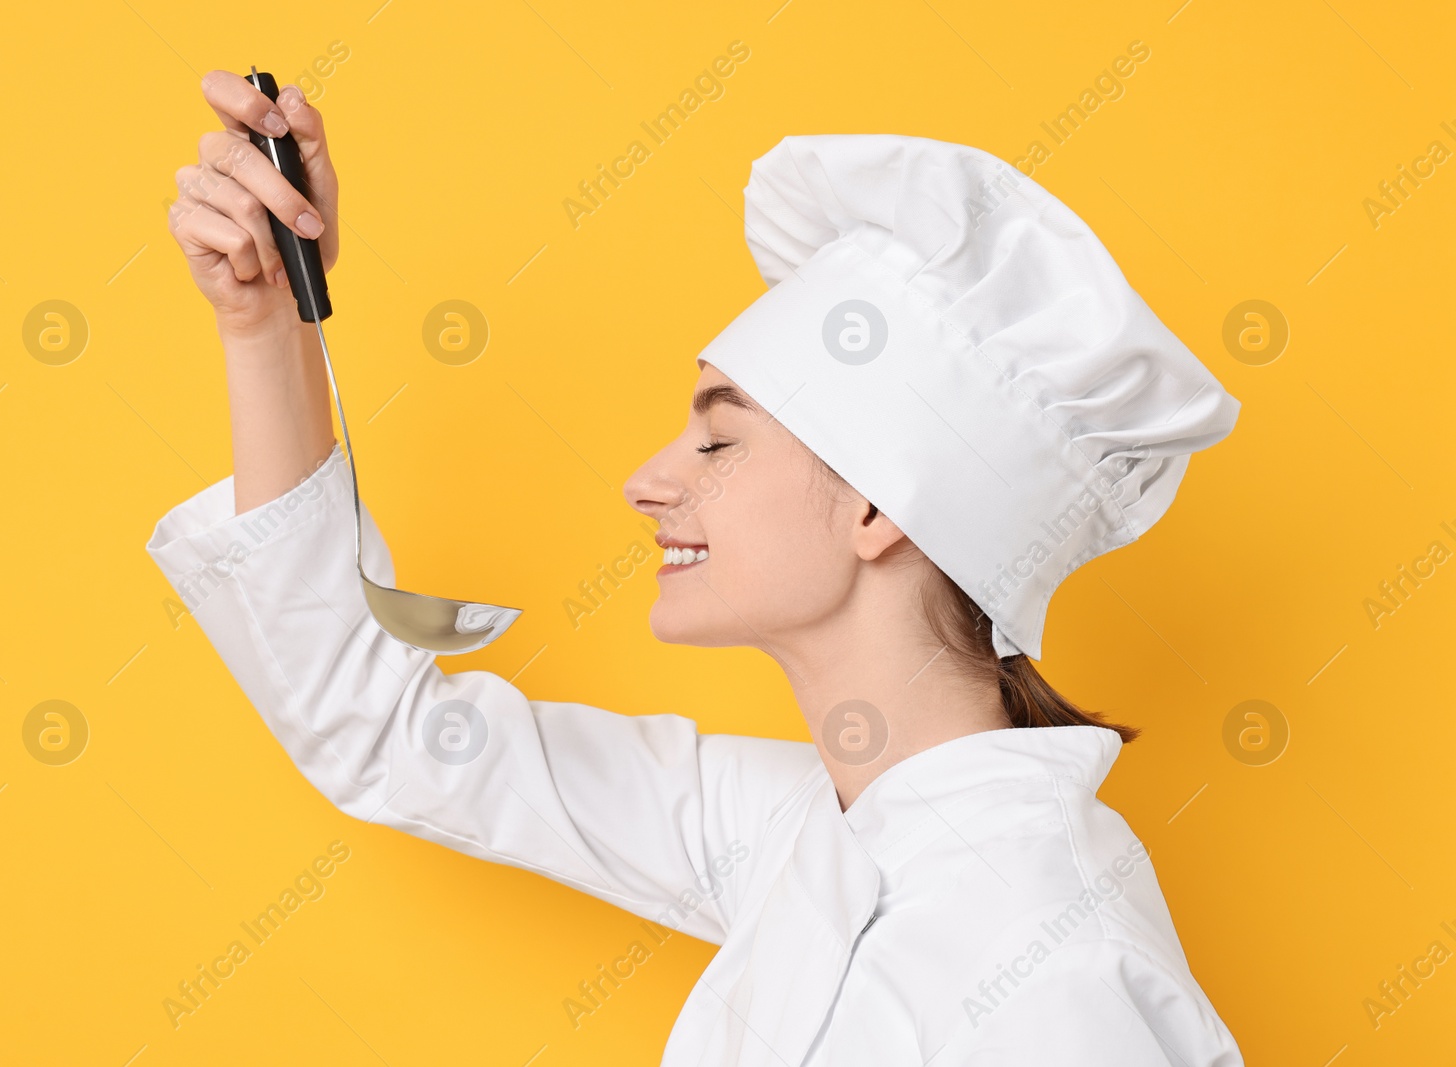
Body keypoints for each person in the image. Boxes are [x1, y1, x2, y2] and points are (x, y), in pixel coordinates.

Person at [153, 71, 1244, 1065]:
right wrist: (263, 325)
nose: (646, 480)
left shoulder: (1054, 976)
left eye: (717, 440)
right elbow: (392, 739)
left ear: (878, 504)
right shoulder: (815, 828)